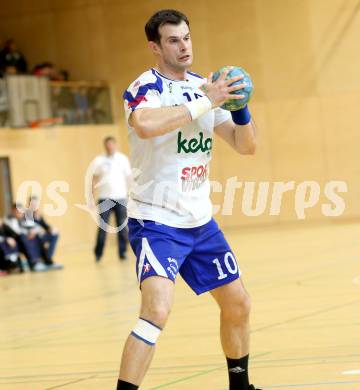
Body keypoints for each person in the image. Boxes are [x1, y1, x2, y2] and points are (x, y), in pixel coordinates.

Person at [118, 9, 260, 390]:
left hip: (200, 222)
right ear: (155, 47)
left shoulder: (204, 87)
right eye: (173, 40)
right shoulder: (144, 86)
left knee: (238, 304)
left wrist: (238, 105)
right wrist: (206, 101)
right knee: (156, 311)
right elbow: (145, 125)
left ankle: (240, 387)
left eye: (187, 37)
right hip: (156, 220)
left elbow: (246, 146)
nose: (184, 46)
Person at [90, 136, 131, 262]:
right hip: (104, 199)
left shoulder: (122, 159)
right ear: (105, 146)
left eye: (112, 145)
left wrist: (131, 195)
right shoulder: (99, 160)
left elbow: (129, 178)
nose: (110, 147)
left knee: (122, 227)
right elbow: (94, 179)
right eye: (107, 145)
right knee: (102, 227)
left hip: (121, 198)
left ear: (115, 145)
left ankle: (123, 252)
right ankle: (98, 254)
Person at [26, 195, 60, 264]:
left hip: (40, 236)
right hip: (31, 236)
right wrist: (37, 230)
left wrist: (50, 228)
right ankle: (45, 258)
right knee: (38, 237)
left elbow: (45, 226)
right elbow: (29, 229)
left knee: (55, 235)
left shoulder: (39, 215)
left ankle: (48, 257)